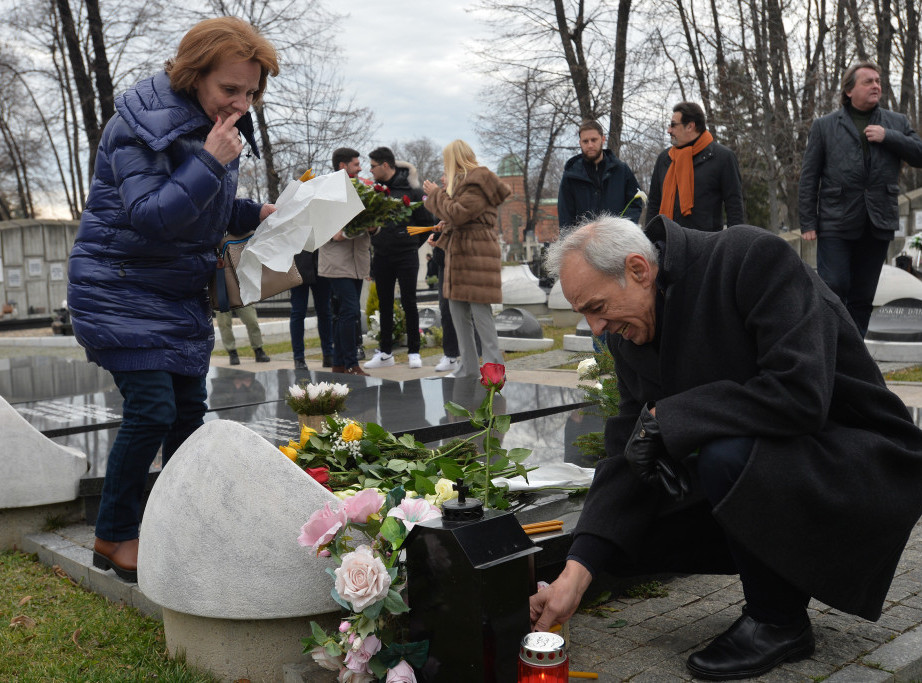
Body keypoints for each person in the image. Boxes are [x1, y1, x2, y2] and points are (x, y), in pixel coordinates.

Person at [533, 215, 922, 680]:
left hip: (860, 461)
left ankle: (778, 621)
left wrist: (669, 418)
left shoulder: (749, 259)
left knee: (723, 451)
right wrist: (574, 576)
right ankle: (772, 579)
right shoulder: (631, 331)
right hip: (785, 463)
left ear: (639, 269)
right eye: (585, 314)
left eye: (597, 307)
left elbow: (800, 394)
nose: (596, 328)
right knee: (622, 525)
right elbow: (624, 447)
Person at [67, 17, 279, 582]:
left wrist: (258, 212)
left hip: (174, 296)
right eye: (229, 89)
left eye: (251, 92)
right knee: (152, 410)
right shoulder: (137, 125)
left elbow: (205, 206)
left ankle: (184, 521)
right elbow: (152, 214)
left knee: (189, 416)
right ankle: (113, 535)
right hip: (118, 287)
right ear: (193, 74)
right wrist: (211, 160)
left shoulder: (212, 127)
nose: (240, 102)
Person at [799, 61, 922, 338]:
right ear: (849, 90)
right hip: (835, 219)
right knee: (834, 285)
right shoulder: (824, 126)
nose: (876, 86)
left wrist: (888, 136)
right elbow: (809, 176)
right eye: (868, 81)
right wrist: (807, 220)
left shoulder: (896, 122)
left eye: (878, 81)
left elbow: (919, 154)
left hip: (878, 220)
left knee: (863, 295)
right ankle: (828, 347)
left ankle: (853, 359)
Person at [423, 140, 511, 378]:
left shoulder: (478, 182)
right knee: (457, 313)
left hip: (475, 256)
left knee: (481, 316)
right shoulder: (464, 186)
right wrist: (441, 237)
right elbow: (460, 218)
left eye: (446, 162)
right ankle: (468, 367)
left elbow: (459, 214)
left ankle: (494, 371)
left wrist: (436, 195)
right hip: (461, 255)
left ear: (454, 160)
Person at [363, 147, 435, 370]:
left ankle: (414, 351)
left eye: (373, 166)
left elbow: (426, 223)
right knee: (384, 304)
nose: (371, 170)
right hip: (382, 255)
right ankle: (385, 353)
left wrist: (411, 242)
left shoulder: (411, 190)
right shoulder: (375, 191)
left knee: (409, 302)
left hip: (406, 255)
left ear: (386, 165)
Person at [647, 102, 744, 231]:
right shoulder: (665, 159)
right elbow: (653, 204)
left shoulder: (723, 157)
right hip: (668, 242)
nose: (669, 130)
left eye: (673, 125)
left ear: (690, 126)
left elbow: (734, 207)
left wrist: (735, 244)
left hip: (707, 245)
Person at [319, 147, 372, 376]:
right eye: (356, 164)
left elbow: (370, 220)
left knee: (344, 313)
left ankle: (339, 364)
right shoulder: (326, 189)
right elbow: (320, 220)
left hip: (357, 260)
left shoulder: (362, 188)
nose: (360, 168)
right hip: (337, 260)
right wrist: (336, 232)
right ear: (343, 165)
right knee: (350, 311)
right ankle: (351, 363)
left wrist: (373, 224)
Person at [557, 120, 643, 232]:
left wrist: (624, 229)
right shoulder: (571, 176)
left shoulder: (621, 170)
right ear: (580, 143)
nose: (590, 145)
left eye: (594, 140)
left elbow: (636, 202)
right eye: (585, 141)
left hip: (618, 240)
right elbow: (565, 216)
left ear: (603, 139)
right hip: (584, 244)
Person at [289, 249, 332, 370]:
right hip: (298, 263)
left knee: (325, 311)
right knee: (298, 312)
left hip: (321, 263)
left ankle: (328, 354)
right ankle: (298, 358)